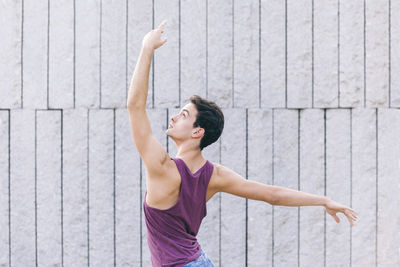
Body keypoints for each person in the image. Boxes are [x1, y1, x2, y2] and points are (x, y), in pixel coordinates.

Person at [126, 20, 358, 267]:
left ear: (198, 132)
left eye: (183, 115)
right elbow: (273, 195)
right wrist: (323, 200)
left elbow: (134, 107)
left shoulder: (163, 168)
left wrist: (147, 48)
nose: (173, 117)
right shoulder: (214, 175)